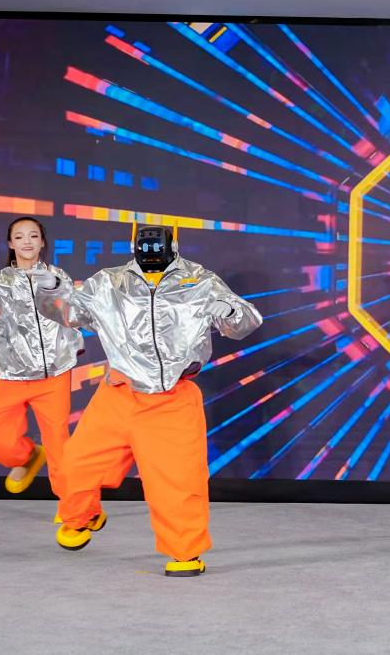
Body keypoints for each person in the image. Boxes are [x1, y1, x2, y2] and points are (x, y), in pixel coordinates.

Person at [34, 222, 262, 577]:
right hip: (118, 393)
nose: (151, 252)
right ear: (134, 246)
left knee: (177, 482)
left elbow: (246, 322)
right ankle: (82, 517)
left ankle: (185, 552)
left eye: (159, 246)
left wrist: (231, 311)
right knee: (75, 465)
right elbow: (69, 312)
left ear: (173, 245)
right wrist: (51, 290)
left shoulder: (200, 280)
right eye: (145, 246)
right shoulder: (108, 282)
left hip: (171, 397)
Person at [0, 216, 82, 500]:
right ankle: (28, 455)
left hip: (54, 374)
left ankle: (72, 510)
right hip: (12, 374)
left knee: (59, 444)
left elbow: (75, 314)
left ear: (42, 242)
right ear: (11, 244)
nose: (27, 242)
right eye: (19, 237)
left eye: (33, 236)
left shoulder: (56, 277)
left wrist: (72, 342)